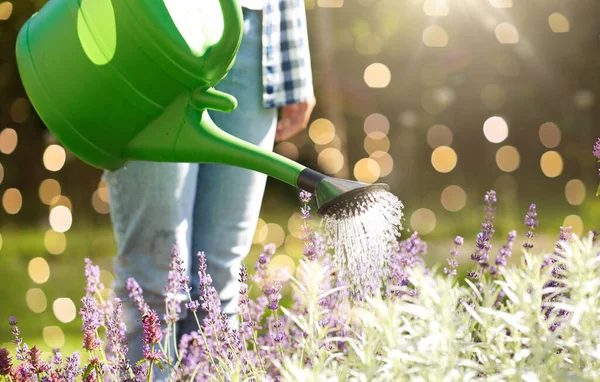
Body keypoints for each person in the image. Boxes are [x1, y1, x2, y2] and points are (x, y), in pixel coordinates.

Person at [103, 0, 316, 371]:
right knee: (155, 283)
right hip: (152, 21)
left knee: (220, 285)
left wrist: (293, 58)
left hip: (252, 29)